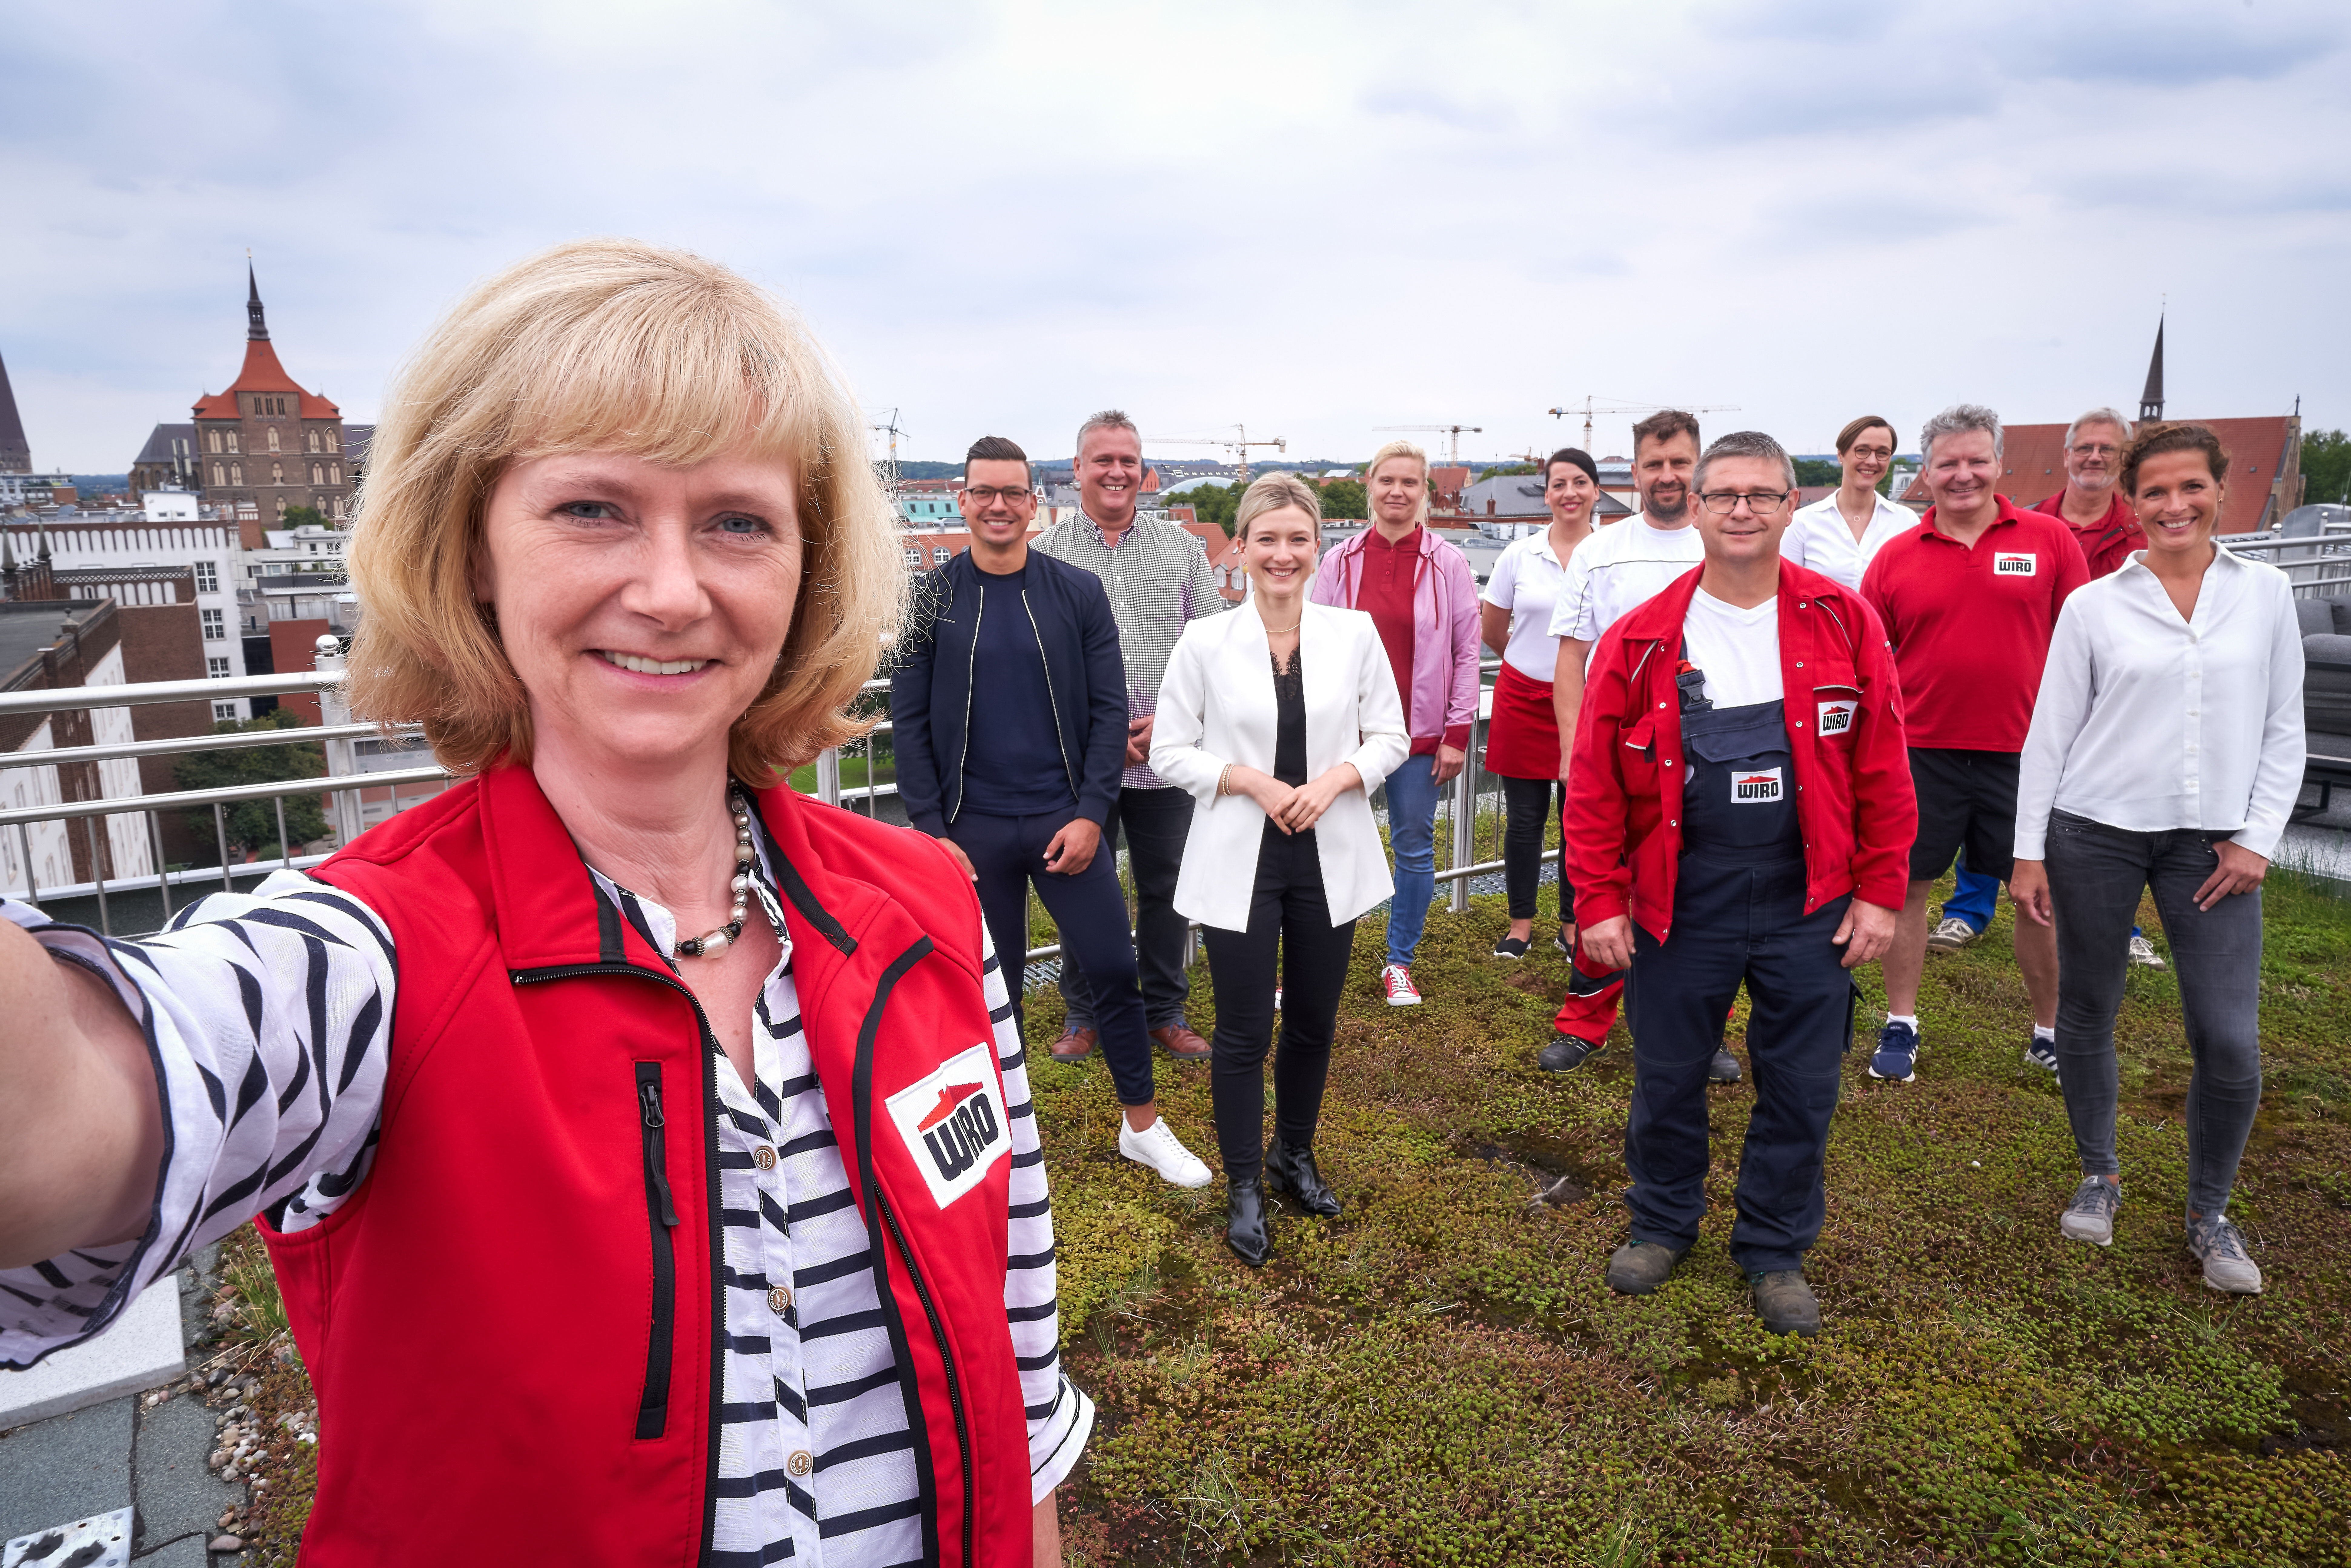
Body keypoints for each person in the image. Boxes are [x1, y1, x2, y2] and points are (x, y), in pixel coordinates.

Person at [0, 242, 1088, 1566]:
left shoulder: (926, 907)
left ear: (806, 568)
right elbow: (59, 1111)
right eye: (592, 509)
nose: (673, 590)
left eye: (737, 521)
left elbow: (1016, 1358)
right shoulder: (374, 962)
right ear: (471, 552)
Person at [1564, 431, 1913, 1336]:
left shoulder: (1844, 620)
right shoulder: (1641, 637)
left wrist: (1878, 892)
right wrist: (1598, 901)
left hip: (1811, 894)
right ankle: (1663, 1222)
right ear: (1699, 505)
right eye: (1725, 495)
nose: (1742, 511)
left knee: (1801, 1084)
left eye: (1763, 494)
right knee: (1670, 1074)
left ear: (1791, 504)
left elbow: (1883, 768)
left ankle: (1772, 1247)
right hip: (1683, 893)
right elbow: (1596, 783)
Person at [2011, 422, 2302, 1294]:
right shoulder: (2093, 605)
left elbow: (2285, 727)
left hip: (2212, 846)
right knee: (2088, 1007)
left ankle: (2209, 1213)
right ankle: (2098, 1173)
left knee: (2228, 1039)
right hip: (2093, 829)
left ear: (2219, 490)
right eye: (2155, 493)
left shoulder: (2269, 595)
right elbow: (2049, 736)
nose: (2173, 506)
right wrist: (2028, 853)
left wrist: (2258, 838)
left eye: (2191, 488)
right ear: (2132, 506)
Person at [892, 436, 1211, 1189]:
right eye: (983, 493)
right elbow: (908, 724)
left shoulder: (1074, 592)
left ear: (1034, 505)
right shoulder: (930, 599)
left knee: (1111, 968)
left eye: (1012, 493)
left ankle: (1143, 1126)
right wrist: (933, 832)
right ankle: (995, 1138)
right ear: (963, 500)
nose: (997, 506)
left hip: (1063, 821)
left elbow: (1107, 714)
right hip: (970, 833)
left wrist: (1094, 813)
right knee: (981, 988)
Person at [1150, 474, 1408, 1265]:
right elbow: (1168, 750)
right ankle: (1243, 1185)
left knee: (1313, 1024)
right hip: (1242, 855)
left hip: (1328, 855)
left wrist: (1333, 781)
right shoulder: (1205, 643)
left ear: (1316, 548)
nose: (1283, 553)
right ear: (1242, 547)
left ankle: (1294, 1155)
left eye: (1298, 539)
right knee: (1242, 1032)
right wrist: (1252, 782)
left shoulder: (1354, 635)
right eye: (1268, 538)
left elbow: (1391, 736)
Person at [1861, 404, 2090, 1083]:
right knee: (1907, 888)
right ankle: (1900, 1022)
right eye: (1947, 464)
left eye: (1975, 461)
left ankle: (2049, 1030)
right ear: (1925, 473)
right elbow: (1871, 663)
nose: (1962, 475)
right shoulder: (1894, 557)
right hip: (1921, 754)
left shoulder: (2049, 541)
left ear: (1998, 464)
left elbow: (2084, 650)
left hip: (2026, 756)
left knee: (2034, 896)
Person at [1549, 410, 1741, 1082]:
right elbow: (1571, 660)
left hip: (1709, 760)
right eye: (1653, 465)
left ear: (1700, 468)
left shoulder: (1728, 545)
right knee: (1601, 890)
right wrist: (1577, 756)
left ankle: (1704, 1031)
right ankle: (1584, 1022)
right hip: (1618, 759)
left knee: (1703, 900)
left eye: (1679, 463)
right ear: (1633, 474)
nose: (1667, 476)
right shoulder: (1598, 551)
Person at [1033, 411, 1228, 1063]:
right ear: (1077, 471)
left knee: (1167, 886)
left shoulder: (1181, 550)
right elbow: (1037, 662)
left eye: (1127, 461)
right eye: (1102, 460)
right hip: (1080, 761)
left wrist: (1175, 722)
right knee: (1082, 882)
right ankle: (1084, 1012)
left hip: (1167, 755)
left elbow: (1215, 646)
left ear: (1142, 473)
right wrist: (1100, 732)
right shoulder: (1047, 556)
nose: (1116, 472)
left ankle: (1163, 1009)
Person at [1788, 416, 2006, 956]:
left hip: (1890, 670)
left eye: (1883, 452)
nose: (1871, 461)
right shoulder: (1804, 523)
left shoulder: (1904, 525)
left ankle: (1955, 904)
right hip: (1820, 667)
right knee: (1830, 777)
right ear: (1841, 454)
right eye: (1862, 450)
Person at [1308, 439, 1481, 1007]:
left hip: (1418, 736)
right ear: (1370, 485)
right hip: (1347, 736)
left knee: (1412, 847)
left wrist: (1456, 735)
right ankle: (1313, 960)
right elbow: (1315, 643)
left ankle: (1399, 962)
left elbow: (1465, 653)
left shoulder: (1448, 563)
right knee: (1325, 846)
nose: (1398, 492)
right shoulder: (1339, 562)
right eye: (1388, 481)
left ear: (1424, 491)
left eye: (1410, 482)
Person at [2029, 406, 2165, 970]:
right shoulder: (2027, 523)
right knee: (2019, 791)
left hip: (2117, 693)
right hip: (2039, 682)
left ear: (2124, 459)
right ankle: (1971, 905)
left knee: (2115, 798)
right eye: (2084, 448)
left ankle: (2124, 922)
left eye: (2107, 450)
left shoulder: (2146, 527)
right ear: (2066, 456)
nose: (2093, 458)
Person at [1479, 448, 1601, 963]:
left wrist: (1573, 680)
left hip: (1592, 704)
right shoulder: (1518, 555)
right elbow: (1492, 628)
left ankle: (1572, 925)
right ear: (1546, 493)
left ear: (1596, 490)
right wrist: (1534, 666)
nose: (1569, 493)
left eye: (1579, 482)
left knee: (1579, 817)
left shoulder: (1612, 552)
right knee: (1525, 821)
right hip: (1523, 698)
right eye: (1558, 484)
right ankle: (1520, 925)